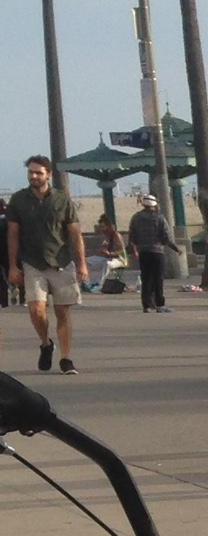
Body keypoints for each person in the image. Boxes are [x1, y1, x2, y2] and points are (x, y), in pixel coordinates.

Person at [7, 156, 90, 373]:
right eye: (31, 172)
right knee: (36, 309)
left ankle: (66, 358)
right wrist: (13, 266)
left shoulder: (62, 200)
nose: (34, 176)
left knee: (62, 312)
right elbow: (13, 234)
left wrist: (82, 264)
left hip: (61, 261)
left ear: (49, 175)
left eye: (38, 173)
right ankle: (46, 343)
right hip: (32, 262)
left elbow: (75, 233)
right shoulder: (19, 200)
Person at [125, 193, 174, 316]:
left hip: (143, 252)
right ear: (154, 205)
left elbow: (132, 236)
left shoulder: (136, 218)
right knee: (158, 278)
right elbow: (166, 237)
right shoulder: (160, 218)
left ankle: (147, 305)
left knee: (146, 279)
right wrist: (176, 248)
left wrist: (134, 249)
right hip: (157, 252)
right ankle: (160, 304)